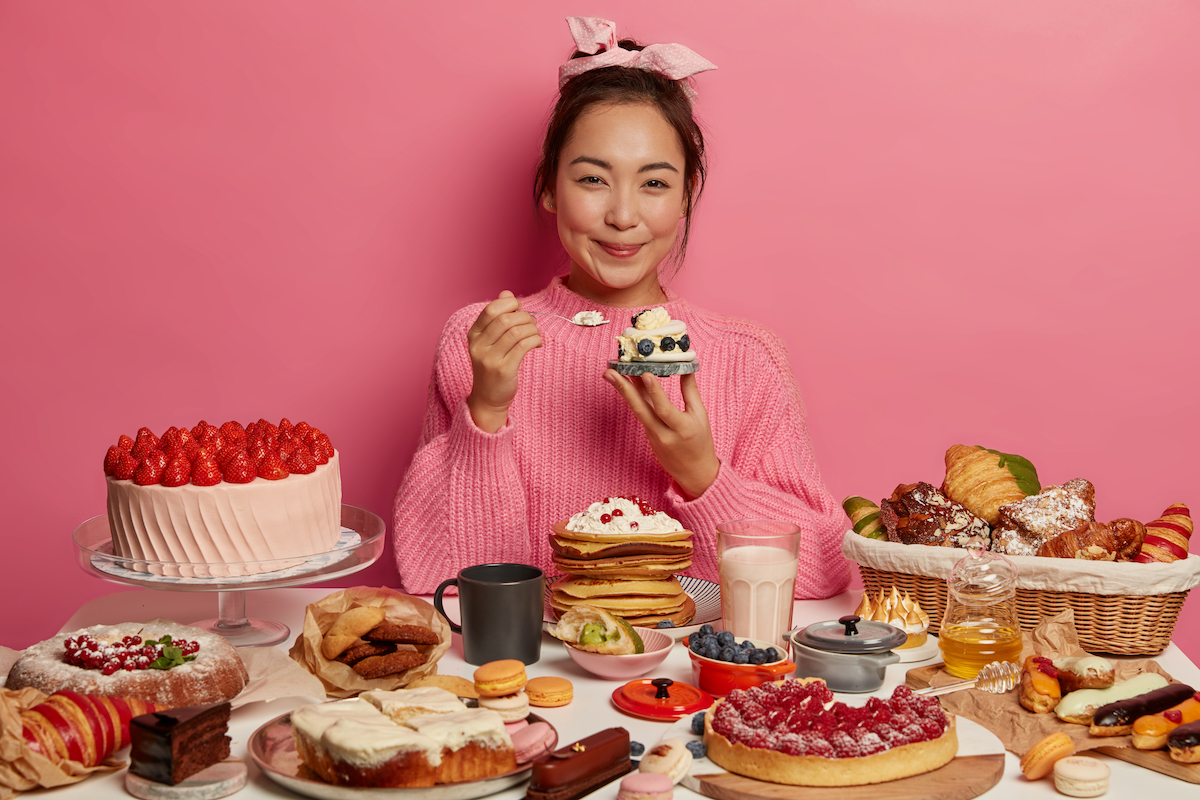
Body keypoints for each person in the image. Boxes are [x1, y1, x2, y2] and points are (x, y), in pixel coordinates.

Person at [393, 17, 850, 599]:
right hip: (535, 677)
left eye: (655, 184)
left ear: (687, 196)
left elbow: (824, 572)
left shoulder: (745, 359)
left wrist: (701, 473)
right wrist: (485, 412)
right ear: (550, 188)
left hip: (688, 683)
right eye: (593, 179)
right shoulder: (481, 341)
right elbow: (446, 581)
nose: (623, 216)